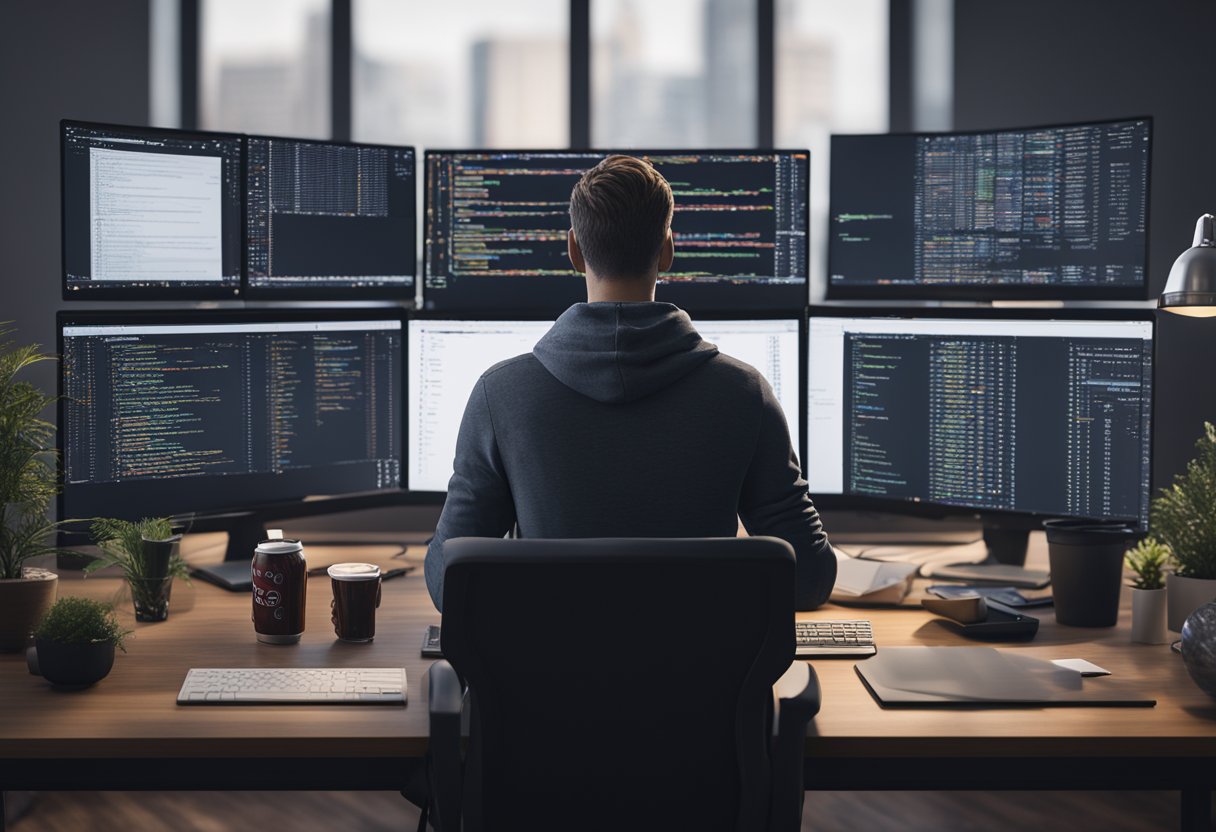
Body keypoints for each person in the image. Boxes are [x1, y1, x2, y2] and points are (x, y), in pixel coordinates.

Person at [424, 154, 837, 611]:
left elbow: (449, 583)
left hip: (545, 681)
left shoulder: (498, 395)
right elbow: (810, 579)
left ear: (574, 252)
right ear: (668, 250)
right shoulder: (744, 393)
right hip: (703, 683)